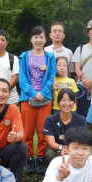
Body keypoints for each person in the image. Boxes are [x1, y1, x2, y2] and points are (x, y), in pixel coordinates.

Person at [19, 25, 57, 174]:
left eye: (41, 37)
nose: (38, 40)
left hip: (45, 99)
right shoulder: (24, 56)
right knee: (27, 131)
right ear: (31, 39)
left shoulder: (50, 57)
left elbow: (52, 75)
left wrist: (43, 92)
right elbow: (22, 78)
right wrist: (33, 93)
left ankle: (40, 158)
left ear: (45, 39)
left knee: (43, 131)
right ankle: (28, 158)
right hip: (28, 98)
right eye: (35, 37)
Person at [43, 88, 87, 168]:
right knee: (49, 154)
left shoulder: (81, 119)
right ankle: (54, 173)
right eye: (63, 100)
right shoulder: (50, 120)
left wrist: (72, 150)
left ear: (74, 103)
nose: (67, 103)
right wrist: (62, 148)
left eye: (70, 100)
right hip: (57, 149)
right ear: (58, 103)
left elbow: (83, 141)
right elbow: (51, 143)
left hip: (75, 149)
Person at [73, 19, 92, 116]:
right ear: (88, 32)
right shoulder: (80, 48)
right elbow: (77, 68)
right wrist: (85, 81)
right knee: (81, 115)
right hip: (82, 87)